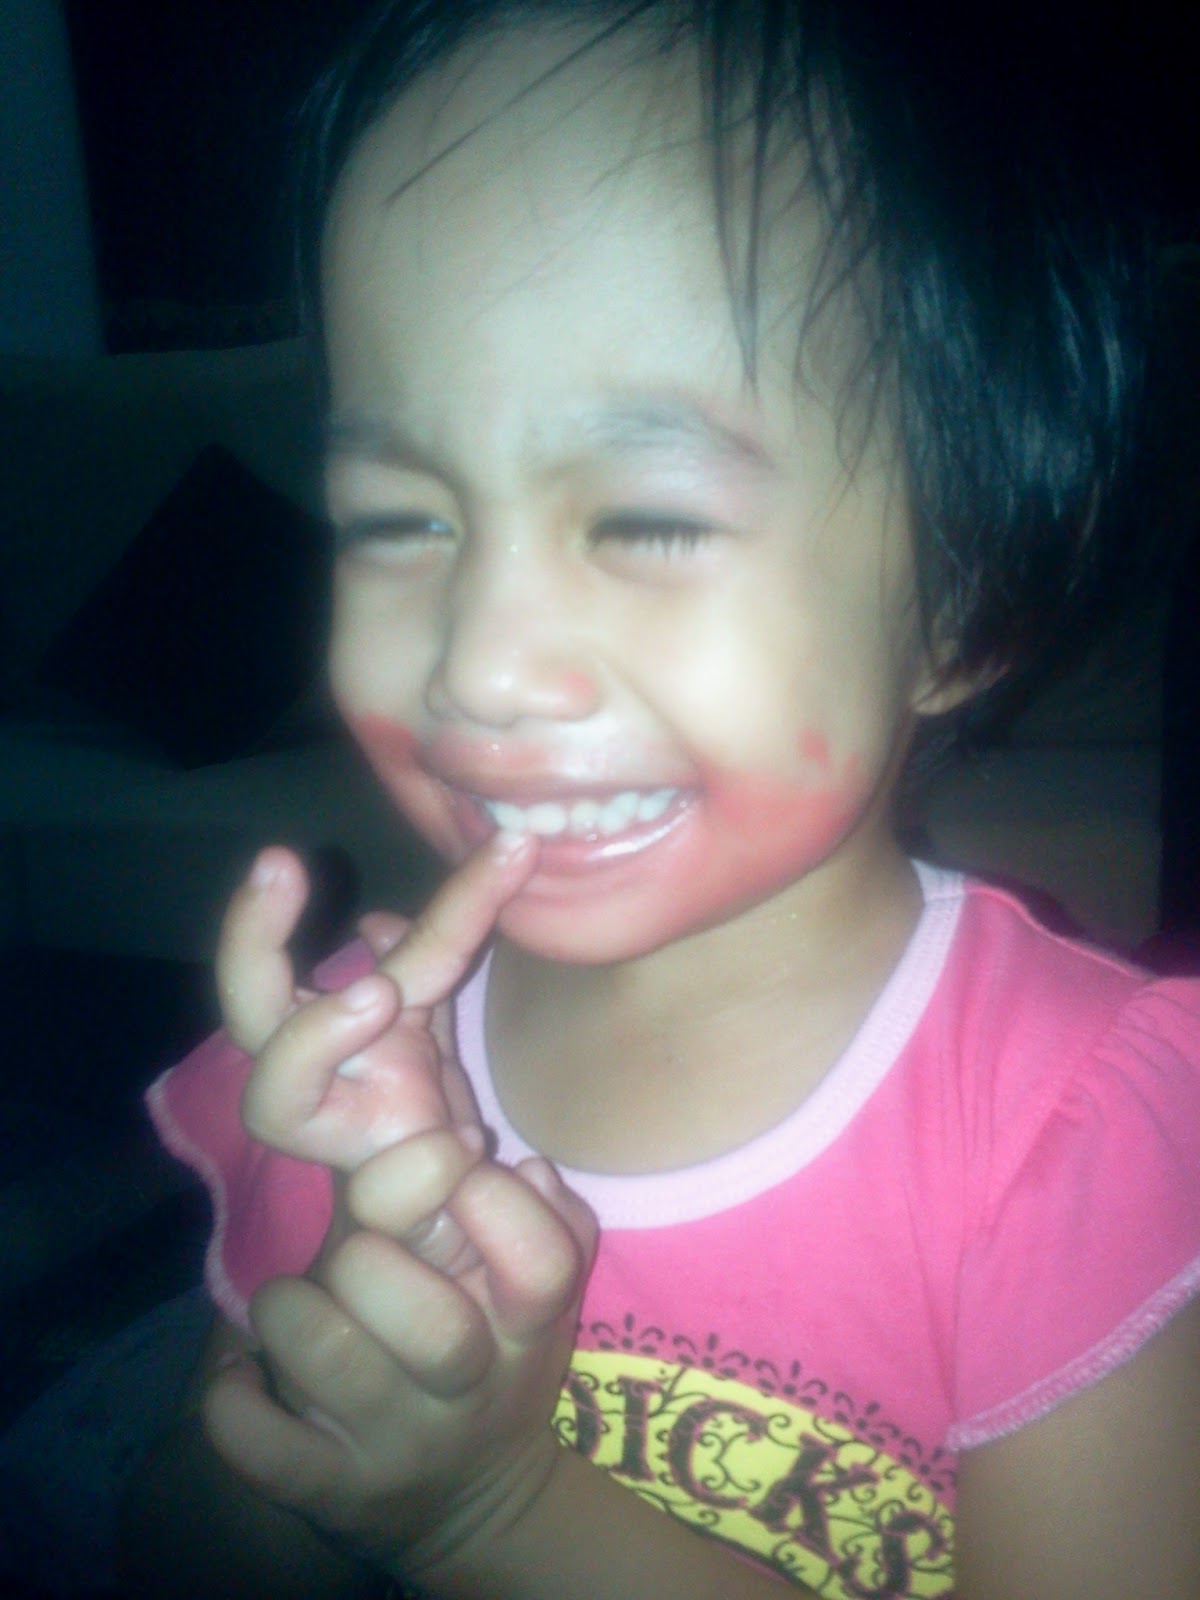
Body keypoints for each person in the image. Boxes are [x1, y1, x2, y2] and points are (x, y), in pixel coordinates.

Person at [117, 2, 1200, 1595]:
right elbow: (174, 1540)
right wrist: (341, 1355)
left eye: (644, 519)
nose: (481, 665)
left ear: (963, 608)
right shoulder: (352, 1067)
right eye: (399, 521)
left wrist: (490, 1512)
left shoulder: (1073, 1140)